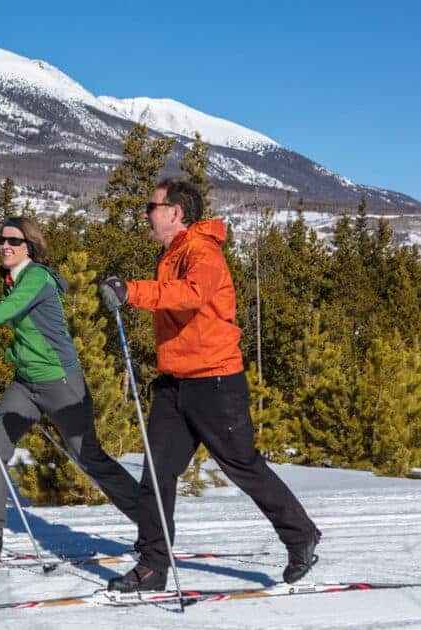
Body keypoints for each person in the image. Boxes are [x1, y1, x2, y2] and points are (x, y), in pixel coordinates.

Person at [98, 179, 321, 592]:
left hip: (215, 381)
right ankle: (152, 565)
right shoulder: (172, 253)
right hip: (175, 382)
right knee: (157, 473)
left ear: (175, 212)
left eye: (152, 206)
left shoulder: (201, 251)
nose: (146, 213)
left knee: (242, 467)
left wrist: (132, 291)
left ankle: (300, 535)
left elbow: (191, 294)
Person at [0, 216, 139, 556]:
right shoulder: (13, 279)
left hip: (59, 381)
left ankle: (152, 525)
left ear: (30, 246)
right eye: (1, 240)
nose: (4, 245)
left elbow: (7, 310)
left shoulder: (37, 278)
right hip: (26, 383)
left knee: (89, 458)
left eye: (13, 241)